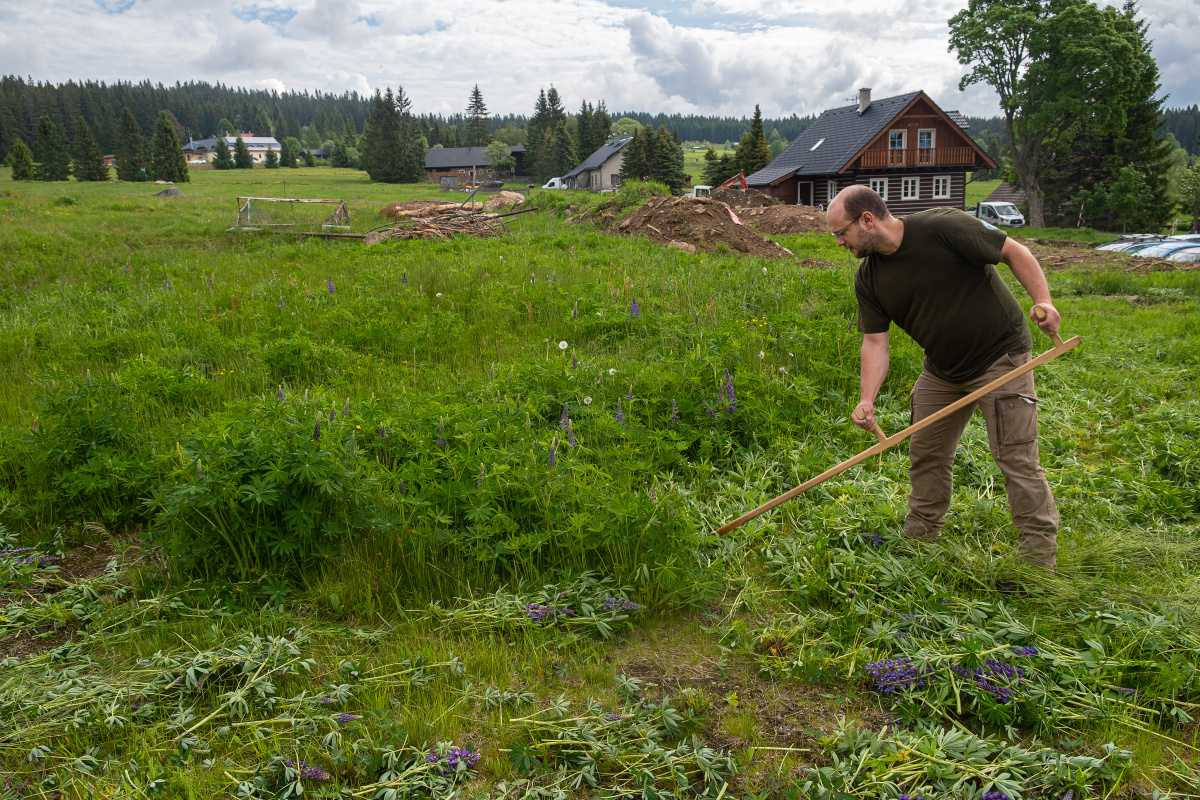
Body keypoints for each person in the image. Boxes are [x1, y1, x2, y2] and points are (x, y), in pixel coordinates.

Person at [826, 185, 1061, 569]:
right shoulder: (868, 278)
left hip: (1000, 358)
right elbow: (874, 342)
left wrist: (1044, 301)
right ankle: (921, 538)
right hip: (942, 370)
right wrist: (867, 398)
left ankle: (1038, 561)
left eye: (841, 232)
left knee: (1015, 456)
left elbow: (1013, 251)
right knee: (927, 453)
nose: (839, 242)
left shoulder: (942, 227)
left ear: (867, 220)